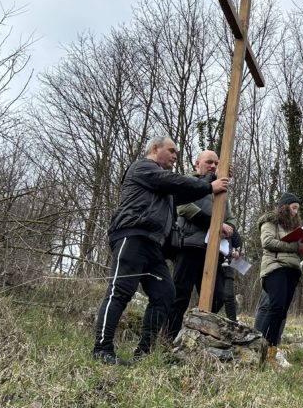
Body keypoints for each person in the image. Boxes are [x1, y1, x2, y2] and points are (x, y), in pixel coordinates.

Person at [92, 136, 229, 365]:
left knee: (166, 294)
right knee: (121, 290)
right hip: (133, 235)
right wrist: (208, 184)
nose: (175, 156)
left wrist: (214, 177)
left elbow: (185, 191)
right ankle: (102, 349)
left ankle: (144, 353)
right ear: (155, 149)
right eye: (171, 150)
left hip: (153, 245)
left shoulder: (164, 185)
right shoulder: (143, 167)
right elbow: (177, 183)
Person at [165, 150, 236, 340]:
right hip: (189, 246)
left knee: (218, 297)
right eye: (209, 162)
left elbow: (230, 218)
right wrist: (215, 224)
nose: (213, 166)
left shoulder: (222, 191)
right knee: (180, 295)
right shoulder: (189, 183)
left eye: (216, 163)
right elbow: (184, 208)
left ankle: (195, 335)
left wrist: (233, 233)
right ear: (197, 164)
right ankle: (168, 339)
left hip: (214, 252)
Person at [253, 192, 303, 366]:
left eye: (298, 209)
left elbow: (298, 249)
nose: (296, 212)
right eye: (293, 208)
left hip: (292, 270)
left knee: (281, 312)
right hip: (274, 267)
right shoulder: (270, 221)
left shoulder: (296, 227)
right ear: (285, 207)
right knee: (275, 306)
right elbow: (268, 242)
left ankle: (271, 351)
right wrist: (293, 246)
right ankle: (259, 347)